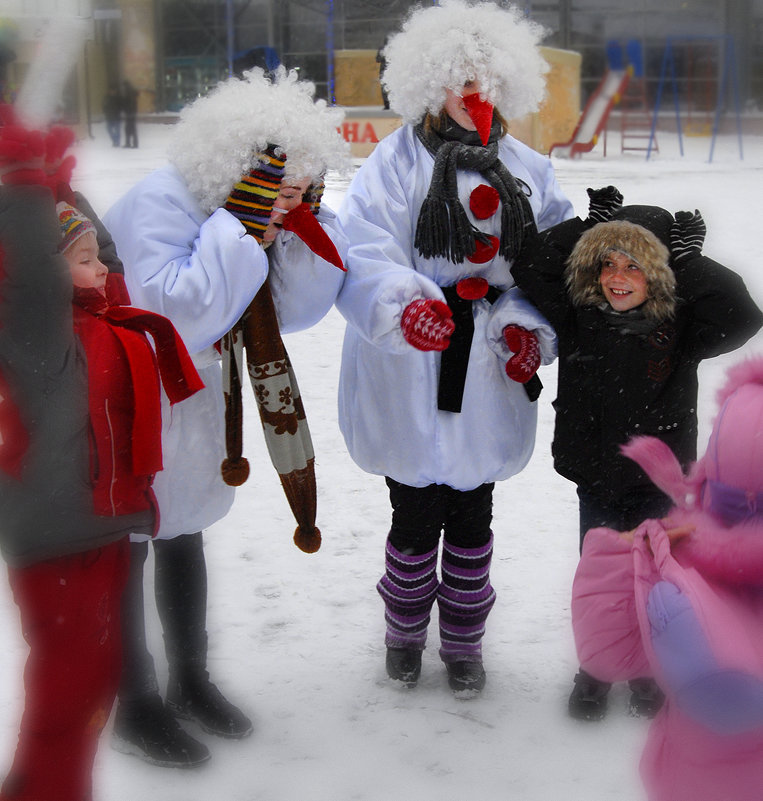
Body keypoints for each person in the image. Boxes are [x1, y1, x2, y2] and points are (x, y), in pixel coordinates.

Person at [103, 67, 350, 767]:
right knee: (129, 543)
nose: (290, 205)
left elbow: (292, 311)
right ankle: (135, 699)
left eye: (305, 192)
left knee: (184, 533)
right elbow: (174, 310)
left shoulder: (241, 214)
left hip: (194, 399)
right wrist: (239, 228)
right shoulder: (162, 201)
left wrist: (292, 232)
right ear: (244, 168)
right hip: (132, 398)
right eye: (284, 192)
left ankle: (190, 678)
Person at [335, 0, 573, 698]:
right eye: (458, 77)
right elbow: (363, 247)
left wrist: (528, 325)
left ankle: (464, 644)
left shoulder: (527, 168)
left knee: (472, 515)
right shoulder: (392, 162)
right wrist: (405, 306)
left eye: (487, 78)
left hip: (486, 366)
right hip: (412, 364)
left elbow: (550, 260)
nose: (474, 92)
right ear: (427, 83)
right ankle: (403, 635)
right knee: (412, 514)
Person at [0, 114, 201, 801]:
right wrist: (25, 181)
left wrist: (58, 184)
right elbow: (30, 265)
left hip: (101, 529)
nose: (106, 271)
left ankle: (46, 786)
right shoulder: (38, 337)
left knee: (90, 688)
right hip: (60, 539)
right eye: (86, 261)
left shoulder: (95, 314)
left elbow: (80, 250)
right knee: (68, 692)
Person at [511, 187, 763, 719]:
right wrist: (587, 228)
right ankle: (597, 671)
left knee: (658, 578)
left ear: (661, 274)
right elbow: (531, 263)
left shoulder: (684, 329)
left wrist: (687, 260)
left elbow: (742, 311)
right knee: (603, 578)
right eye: (608, 262)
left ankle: (650, 672)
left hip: (657, 480)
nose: (617, 276)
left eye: (636, 265)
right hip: (597, 474)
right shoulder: (578, 312)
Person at [571, 356, 763, 801]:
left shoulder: (687, 572)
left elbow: (608, 654)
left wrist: (622, 556)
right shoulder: (688, 565)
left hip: (694, 777)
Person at [121, 79, 138, 148]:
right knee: (130, 128)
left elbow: (129, 103)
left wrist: (128, 111)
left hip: (130, 113)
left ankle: (131, 143)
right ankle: (132, 143)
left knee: (129, 128)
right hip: (131, 113)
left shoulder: (129, 92)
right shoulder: (131, 92)